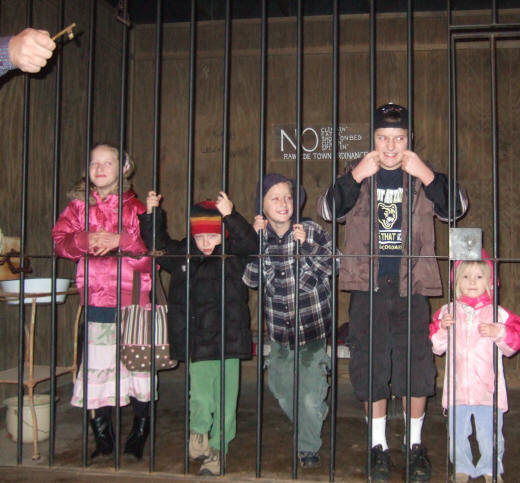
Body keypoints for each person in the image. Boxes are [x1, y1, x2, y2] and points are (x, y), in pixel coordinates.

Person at [317, 103, 468, 481]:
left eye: (398, 138)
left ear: (409, 140)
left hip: (411, 287)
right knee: (370, 366)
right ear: (372, 140)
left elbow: (457, 209)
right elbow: (327, 211)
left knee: (416, 366)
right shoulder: (356, 176)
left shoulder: (422, 176)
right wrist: (355, 175)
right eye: (382, 138)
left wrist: (427, 174)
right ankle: (378, 446)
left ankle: (415, 445)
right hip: (367, 287)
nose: (390, 146)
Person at [138, 191, 257, 476]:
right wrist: (152, 214)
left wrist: (230, 216)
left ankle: (218, 447)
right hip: (197, 340)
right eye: (200, 236)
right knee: (200, 395)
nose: (205, 243)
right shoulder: (185, 253)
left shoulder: (232, 255)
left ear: (223, 235)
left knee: (226, 399)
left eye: (212, 236)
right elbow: (157, 244)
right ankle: (199, 432)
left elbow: (251, 243)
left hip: (228, 338)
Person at [52, 143, 153, 461]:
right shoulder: (77, 207)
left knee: (137, 365)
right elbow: (59, 242)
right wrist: (82, 239)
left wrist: (122, 241)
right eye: (94, 162)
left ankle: (140, 429)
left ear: (124, 168)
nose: (99, 168)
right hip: (96, 297)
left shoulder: (136, 208)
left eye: (107, 163)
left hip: (132, 300)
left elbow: (151, 257)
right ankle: (102, 433)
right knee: (97, 366)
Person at [243, 173, 334, 469]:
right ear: (262, 206)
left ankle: (307, 446)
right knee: (281, 388)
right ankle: (313, 416)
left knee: (308, 396)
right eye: (275, 198)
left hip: (312, 332)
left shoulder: (311, 230)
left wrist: (306, 246)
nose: (283, 203)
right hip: (280, 334)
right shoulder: (259, 238)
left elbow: (336, 263)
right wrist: (256, 243)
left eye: (288, 197)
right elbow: (250, 280)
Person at [430, 254, 520, 483]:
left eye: (479, 277)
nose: (472, 282)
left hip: (488, 390)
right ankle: (461, 467)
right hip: (458, 389)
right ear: (456, 281)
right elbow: (436, 346)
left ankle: (491, 468)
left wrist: (500, 332)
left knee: (489, 433)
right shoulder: (447, 312)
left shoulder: (498, 313)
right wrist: (443, 328)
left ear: (490, 282)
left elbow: (516, 341)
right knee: (457, 433)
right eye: (465, 276)